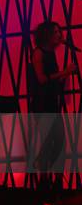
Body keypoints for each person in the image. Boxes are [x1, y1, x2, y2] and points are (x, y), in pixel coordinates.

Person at [29, 21, 77, 186]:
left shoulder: (50, 53)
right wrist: (65, 72)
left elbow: (52, 80)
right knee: (49, 140)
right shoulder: (38, 53)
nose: (59, 35)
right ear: (47, 35)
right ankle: (44, 180)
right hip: (42, 105)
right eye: (55, 32)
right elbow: (42, 79)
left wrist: (64, 75)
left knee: (59, 141)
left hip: (51, 103)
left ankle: (53, 179)